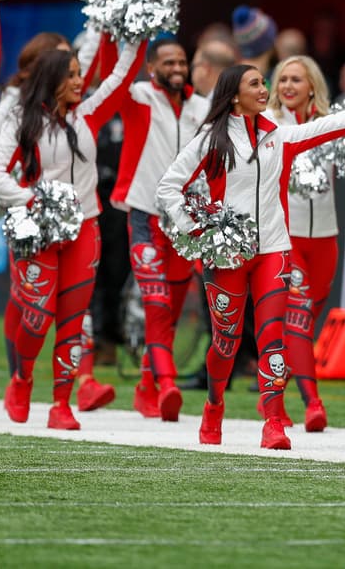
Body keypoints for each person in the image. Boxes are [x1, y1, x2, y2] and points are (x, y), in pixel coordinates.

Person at [157, 65, 345, 448]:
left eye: (264, 83)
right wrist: (197, 229)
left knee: (272, 337)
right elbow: (168, 187)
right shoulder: (210, 139)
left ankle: (273, 422)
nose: (265, 89)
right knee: (225, 343)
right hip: (227, 257)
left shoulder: (279, 135)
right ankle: (214, 405)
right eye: (255, 84)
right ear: (233, 96)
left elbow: (334, 125)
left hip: (274, 251)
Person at [0, 38, 143, 429]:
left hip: (85, 228)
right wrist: (30, 200)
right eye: (70, 75)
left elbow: (121, 78)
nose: (78, 82)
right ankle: (22, 379)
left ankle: (61, 404)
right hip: (39, 231)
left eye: (79, 74)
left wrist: (138, 36)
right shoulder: (22, 119)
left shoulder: (88, 112)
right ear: (51, 78)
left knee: (73, 322)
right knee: (37, 318)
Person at [109, 38, 210, 422]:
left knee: (172, 308)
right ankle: (167, 383)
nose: (177, 68)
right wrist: (125, 38)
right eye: (168, 62)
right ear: (151, 67)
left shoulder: (203, 107)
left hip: (186, 222)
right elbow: (112, 76)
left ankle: (147, 385)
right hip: (145, 216)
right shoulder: (137, 97)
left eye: (182, 61)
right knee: (156, 303)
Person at [269, 54, 342, 432]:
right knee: (297, 318)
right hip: (287, 236)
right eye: (283, 79)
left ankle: (273, 397)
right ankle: (313, 402)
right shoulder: (269, 124)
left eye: (296, 79)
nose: (288, 86)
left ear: (312, 85)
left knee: (304, 322)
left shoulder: (329, 125)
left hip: (326, 237)